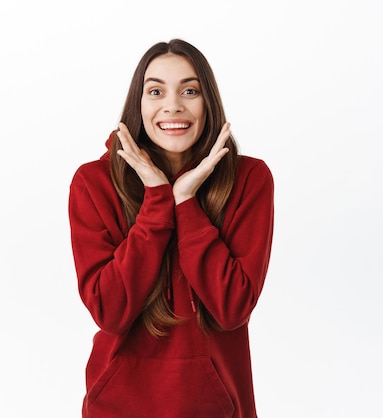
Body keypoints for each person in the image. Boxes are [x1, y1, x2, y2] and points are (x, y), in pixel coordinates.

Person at [68, 38, 274, 418]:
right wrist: (157, 201)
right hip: (117, 408)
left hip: (218, 409)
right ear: (138, 104)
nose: (173, 105)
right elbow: (109, 312)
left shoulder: (249, 179)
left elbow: (232, 309)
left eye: (190, 90)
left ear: (208, 102)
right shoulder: (93, 183)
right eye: (156, 90)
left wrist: (186, 203)